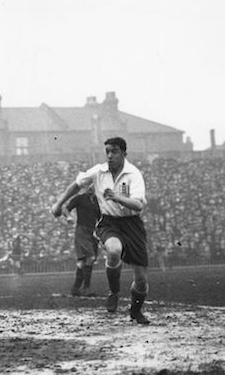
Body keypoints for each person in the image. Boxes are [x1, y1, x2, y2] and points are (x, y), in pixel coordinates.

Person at [51, 137, 151, 324]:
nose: (110, 155)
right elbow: (76, 185)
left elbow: (138, 205)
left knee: (142, 281)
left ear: (124, 153)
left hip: (132, 224)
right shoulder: (98, 171)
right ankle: (114, 292)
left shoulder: (133, 174)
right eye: (107, 151)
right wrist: (58, 203)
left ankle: (136, 312)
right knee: (113, 251)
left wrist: (117, 197)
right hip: (109, 223)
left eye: (114, 151)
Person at [62, 186, 100, 296]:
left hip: (93, 232)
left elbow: (100, 217)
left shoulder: (98, 201)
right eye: (88, 186)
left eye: (93, 186)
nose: (91, 188)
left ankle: (76, 288)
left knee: (82, 261)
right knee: (91, 257)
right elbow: (65, 208)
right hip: (82, 230)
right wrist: (69, 217)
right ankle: (86, 288)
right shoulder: (80, 198)